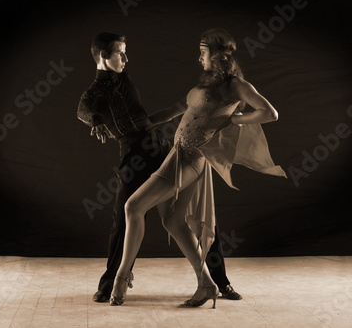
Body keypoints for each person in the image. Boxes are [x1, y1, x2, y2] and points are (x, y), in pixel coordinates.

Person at [110, 28, 286, 307]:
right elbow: (170, 112)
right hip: (177, 155)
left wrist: (235, 120)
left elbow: (270, 113)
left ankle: (122, 276)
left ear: (217, 54)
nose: (198, 57)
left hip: (192, 158)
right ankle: (206, 284)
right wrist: (125, 128)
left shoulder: (235, 85)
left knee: (133, 207)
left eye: (203, 52)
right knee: (173, 221)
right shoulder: (204, 86)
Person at [77, 32, 244, 304]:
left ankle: (219, 282)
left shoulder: (126, 79)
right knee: (125, 216)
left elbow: (148, 117)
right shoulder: (95, 92)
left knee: (189, 217)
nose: (126, 58)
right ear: (103, 56)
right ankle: (110, 283)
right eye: (120, 53)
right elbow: (83, 108)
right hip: (133, 155)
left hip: (159, 148)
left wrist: (228, 120)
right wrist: (94, 119)